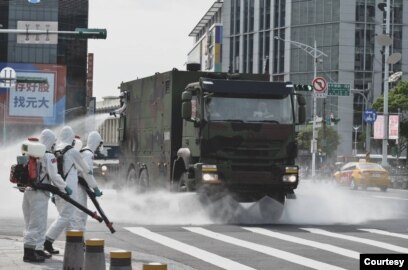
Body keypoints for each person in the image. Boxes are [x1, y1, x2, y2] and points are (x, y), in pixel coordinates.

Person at [22, 129, 71, 263]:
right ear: (50, 141)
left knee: (29, 222)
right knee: (37, 223)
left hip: (28, 191)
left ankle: (37, 249)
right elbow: (54, 176)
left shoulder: (30, 152)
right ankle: (29, 253)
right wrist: (65, 187)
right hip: (39, 193)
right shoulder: (49, 155)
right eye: (54, 141)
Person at [44, 126, 93, 255]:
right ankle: (47, 240)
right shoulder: (72, 151)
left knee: (69, 217)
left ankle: (75, 243)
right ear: (71, 138)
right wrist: (89, 171)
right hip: (69, 189)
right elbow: (85, 168)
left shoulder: (55, 149)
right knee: (66, 216)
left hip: (57, 189)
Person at [72, 131, 103, 232]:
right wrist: (95, 188)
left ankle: (78, 240)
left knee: (77, 214)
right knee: (80, 215)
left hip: (77, 185)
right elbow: (87, 173)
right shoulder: (88, 154)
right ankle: (78, 242)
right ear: (96, 142)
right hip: (79, 187)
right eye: (99, 143)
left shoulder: (83, 151)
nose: (99, 146)